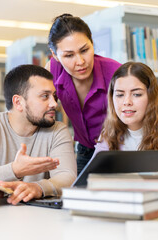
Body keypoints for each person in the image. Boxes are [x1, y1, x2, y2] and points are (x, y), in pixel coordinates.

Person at [0, 64, 77, 205]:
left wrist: (38, 188)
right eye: (45, 96)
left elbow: (68, 177)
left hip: (37, 216)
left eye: (54, 96)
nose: (54, 103)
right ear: (18, 102)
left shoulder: (58, 130)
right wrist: (14, 170)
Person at [92, 62, 158, 179]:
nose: (127, 102)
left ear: (151, 97)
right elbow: (90, 180)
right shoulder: (108, 133)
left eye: (136, 94)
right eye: (119, 95)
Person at [46, 13, 122, 175]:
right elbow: (39, 110)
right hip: (84, 151)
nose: (80, 61)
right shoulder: (52, 70)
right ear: (55, 56)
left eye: (84, 50)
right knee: (77, 196)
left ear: (92, 43)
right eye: (69, 55)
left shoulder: (116, 73)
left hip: (120, 149)